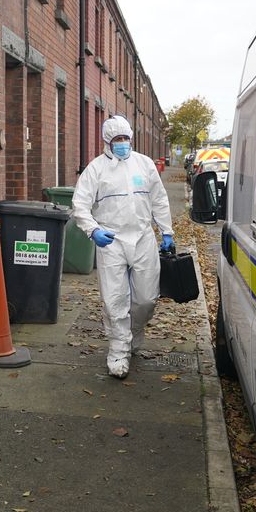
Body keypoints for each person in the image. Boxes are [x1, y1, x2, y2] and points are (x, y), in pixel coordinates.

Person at [71, 116, 175, 379]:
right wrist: (93, 230)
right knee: (115, 298)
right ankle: (118, 350)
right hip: (112, 240)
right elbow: (80, 204)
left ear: (131, 138)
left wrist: (167, 230)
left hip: (142, 237)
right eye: (117, 140)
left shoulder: (145, 164)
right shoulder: (96, 169)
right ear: (107, 142)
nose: (122, 144)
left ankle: (134, 331)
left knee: (147, 298)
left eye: (125, 139)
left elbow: (159, 199)